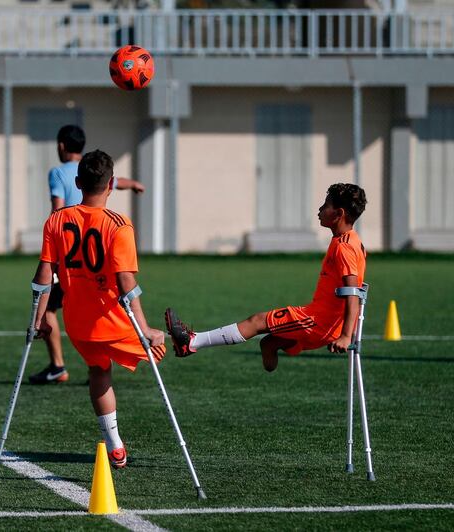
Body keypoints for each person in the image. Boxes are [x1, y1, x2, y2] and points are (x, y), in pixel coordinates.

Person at [32, 149, 165, 469]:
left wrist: (39, 319)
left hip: (77, 325)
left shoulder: (57, 219)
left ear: (78, 183)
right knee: (166, 345)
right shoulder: (119, 224)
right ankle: (204, 338)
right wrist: (146, 329)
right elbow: (125, 280)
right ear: (110, 185)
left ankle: (115, 445)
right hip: (112, 322)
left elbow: (43, 274)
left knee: (99, 370)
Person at [165, 183, 368, 372]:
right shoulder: (350, 240)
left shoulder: (344, 247)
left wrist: (345, 335)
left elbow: (352, 293)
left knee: (257, 321)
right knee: (268, 342)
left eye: (326, 205)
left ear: (339, 214)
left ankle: (191, 342)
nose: (319, 210)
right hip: (322, 320)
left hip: (318, 322)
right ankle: (272, 356)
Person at [30, 125, 146, 385]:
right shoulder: (101, 179)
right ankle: (99, 359)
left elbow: (57, 207)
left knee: (50, 308)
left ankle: (58, 364)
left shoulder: (59, 174)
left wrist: (56, 232)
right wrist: (135, 184)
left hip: (69, 246)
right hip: (96, 247)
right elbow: (114, 181)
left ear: (61, 146)